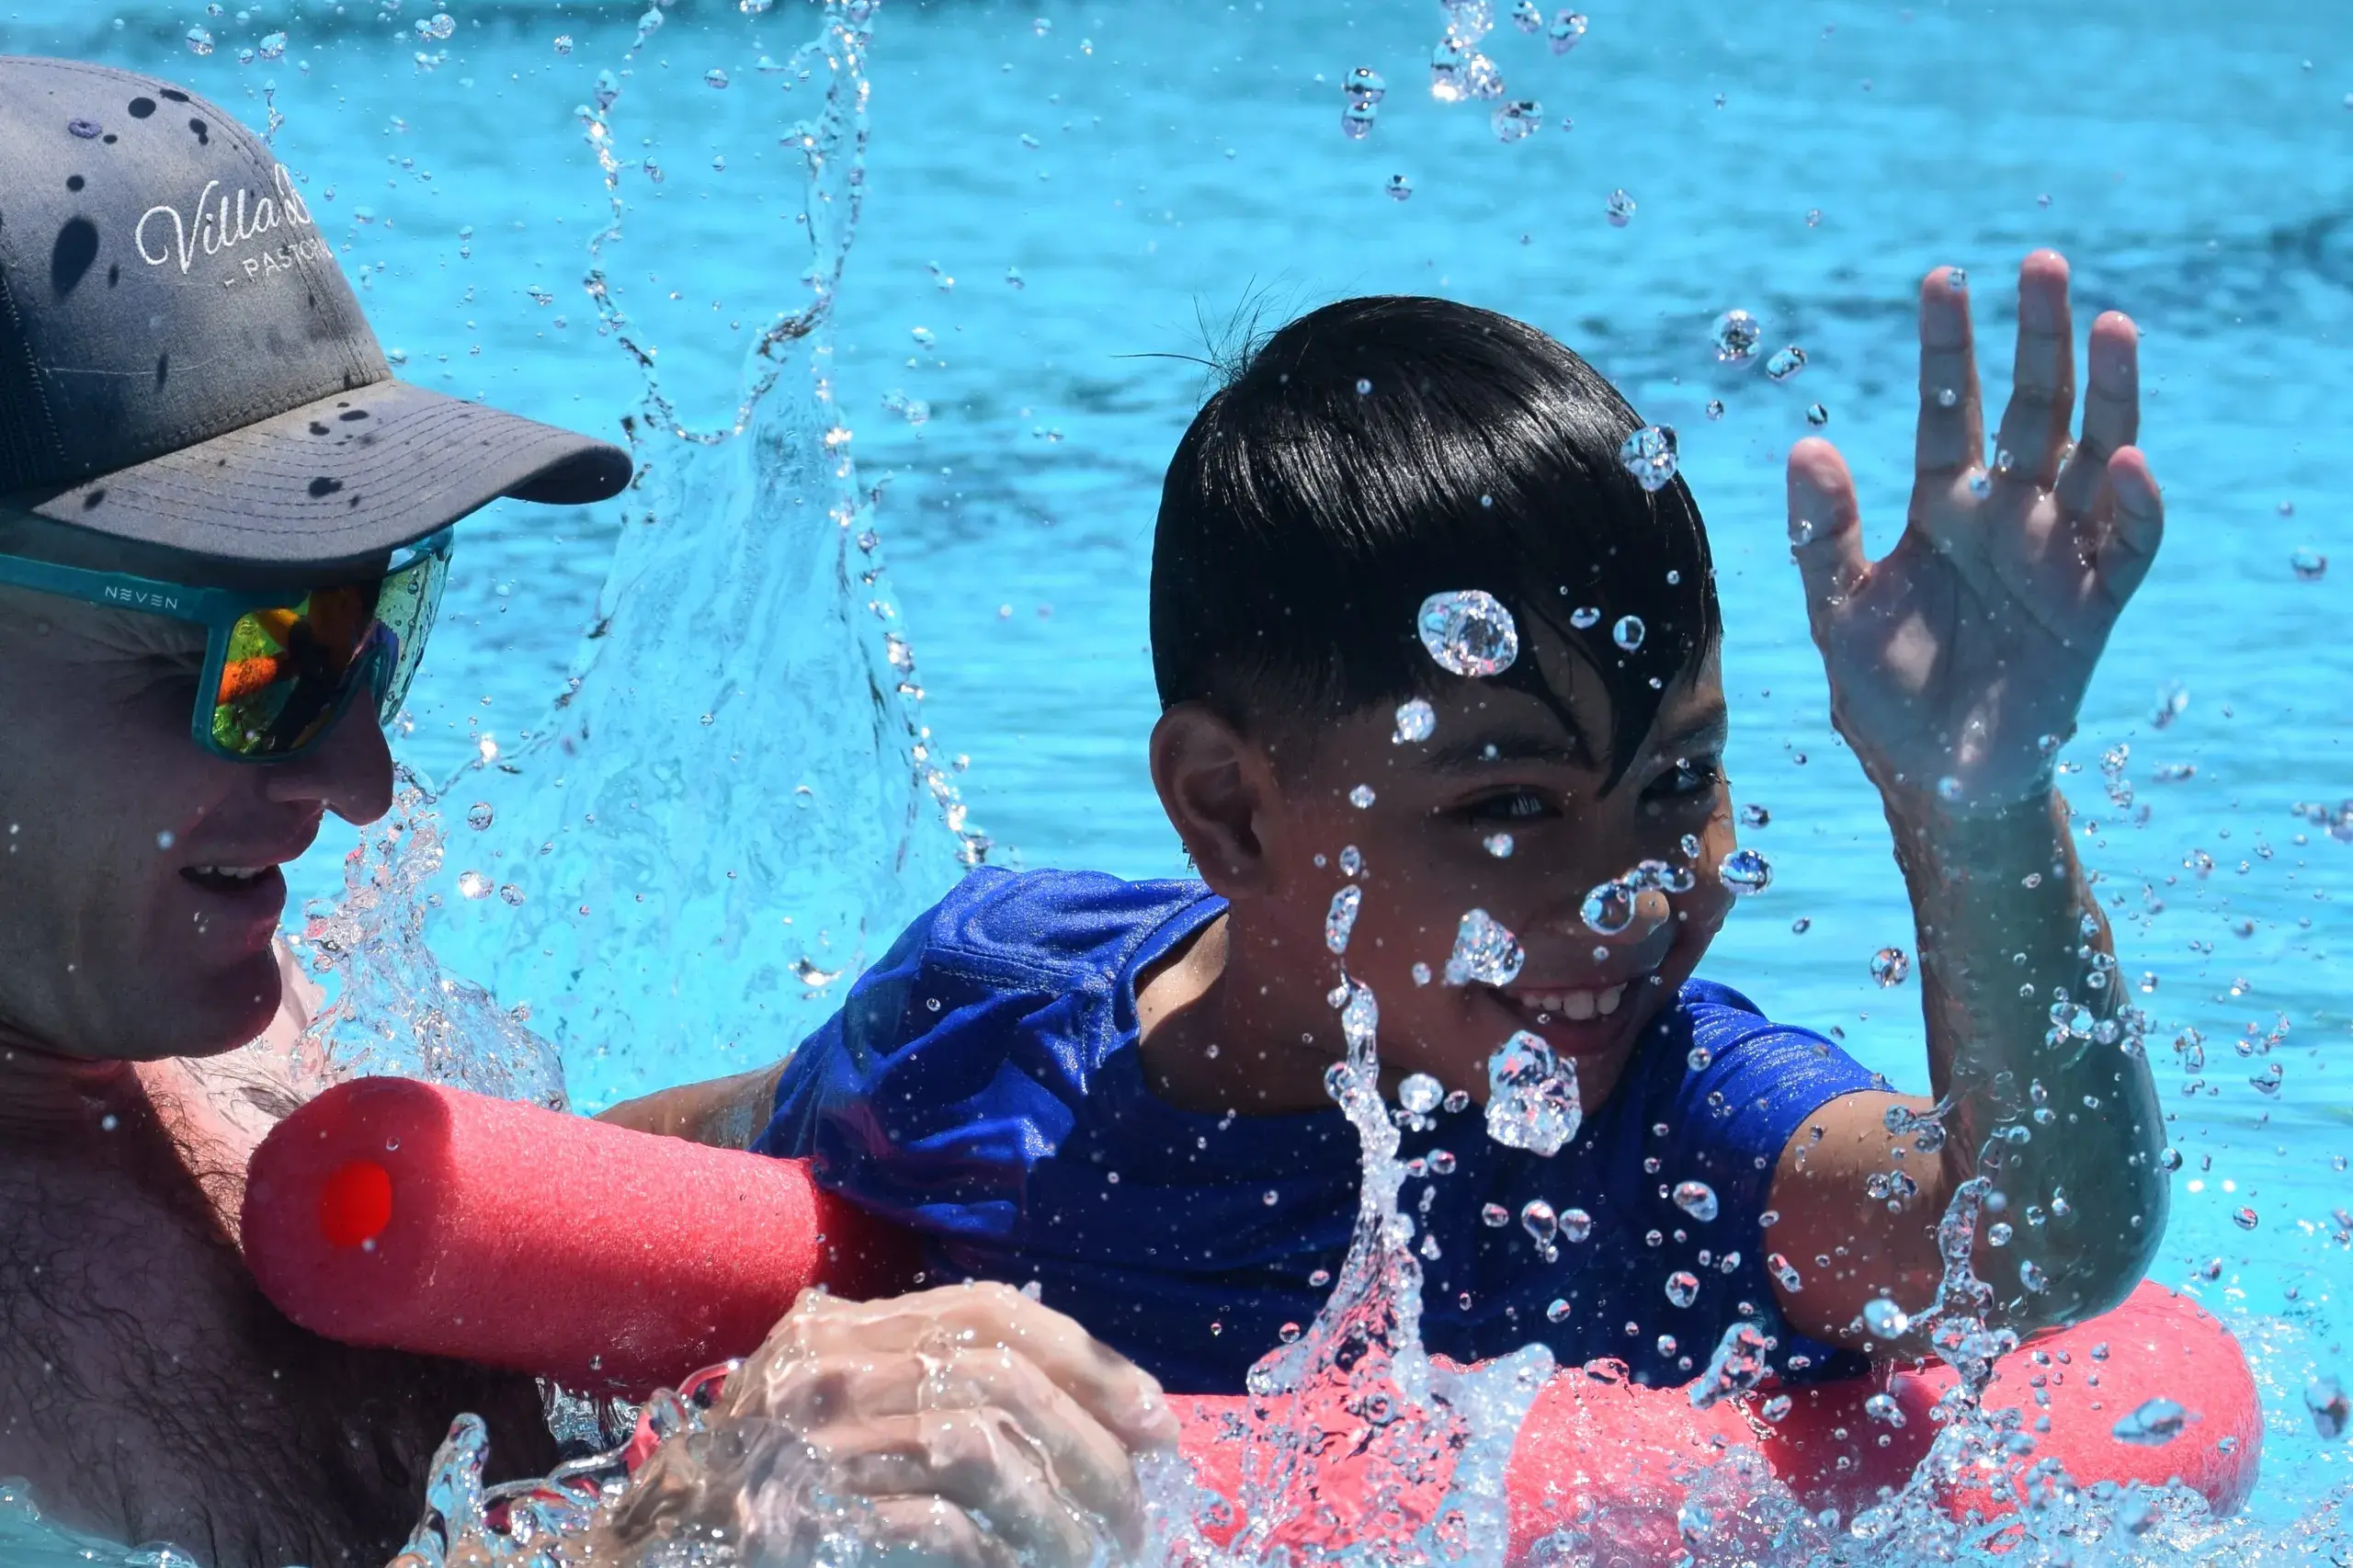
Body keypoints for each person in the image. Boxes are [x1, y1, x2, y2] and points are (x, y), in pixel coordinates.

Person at [613, 255, 2171, 1403]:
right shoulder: (990, 1015)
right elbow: (636, 1185)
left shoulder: (1675, 1140)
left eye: (1680, 782)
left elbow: (2027, 1240)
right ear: (1228, 805)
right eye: (1507, 805)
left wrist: (1977, 811)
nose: (1631, 896)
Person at [0, 57, 1166, 1568]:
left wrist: (895, 1092)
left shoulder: (157, 991)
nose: (361, 783)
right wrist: (681, 1538)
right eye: (258, 662)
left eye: (368, 630)